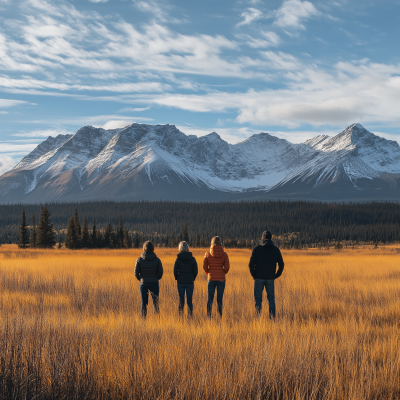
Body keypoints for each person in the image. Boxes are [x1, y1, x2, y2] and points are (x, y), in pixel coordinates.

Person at [249, 231, 284, 319]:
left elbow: (251, 264)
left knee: (258, 300)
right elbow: (281, 265)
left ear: (263, 238)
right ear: (271, 238)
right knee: (271, 300)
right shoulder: (276, 250)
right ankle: (272, 319)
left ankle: (258, 318)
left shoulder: (257, 249)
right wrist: (275, 275)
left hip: (258, 278)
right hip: (270, 278)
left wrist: (254, 275)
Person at [134, 241, 163, 317]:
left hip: (143, 283)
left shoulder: (139, 260)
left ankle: (143, 320)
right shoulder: (157, 260)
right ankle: (157, 320)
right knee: (155, 303)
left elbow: (136, 273)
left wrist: (141, 279)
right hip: (154, 283)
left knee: (144, 303)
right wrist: (156, 278)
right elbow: (160, 272)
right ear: (153, 248)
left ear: (144, 248)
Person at [203, 236, 230, 317]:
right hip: (221, 280)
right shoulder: (224, 254)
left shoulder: (207, 254)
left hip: (211, 279)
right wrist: (223, 272)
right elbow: (227, 268)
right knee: (219, 300)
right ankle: (219, 317)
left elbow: (204, 267)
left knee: (210, 300)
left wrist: (209, 273)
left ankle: (208, 317)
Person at [173, 241, 198, 316]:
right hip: (190, 282)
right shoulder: (192, 259)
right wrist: (192, 278)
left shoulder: (178, 259)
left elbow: (175, 271)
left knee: (181, 301)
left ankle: (181, 318)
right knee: (189, 302)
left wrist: (177, 278)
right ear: (188, 247)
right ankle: (190, 318)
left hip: (180, 282)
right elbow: (195, 271)